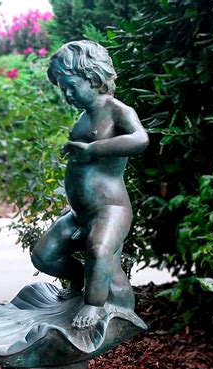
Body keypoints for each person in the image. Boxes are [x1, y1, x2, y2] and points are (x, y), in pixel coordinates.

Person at [30, 40, 149, 330]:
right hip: (80, 212)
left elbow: (140, 139)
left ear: (94, 79)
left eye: (71, 86)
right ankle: (85, 278)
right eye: (63, 89)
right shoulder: (84, 116)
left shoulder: (117, 110)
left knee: (98, 249)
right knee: (43, 256)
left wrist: (93, 149)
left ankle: (95, 305)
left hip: (110, 208)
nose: (67, 94)